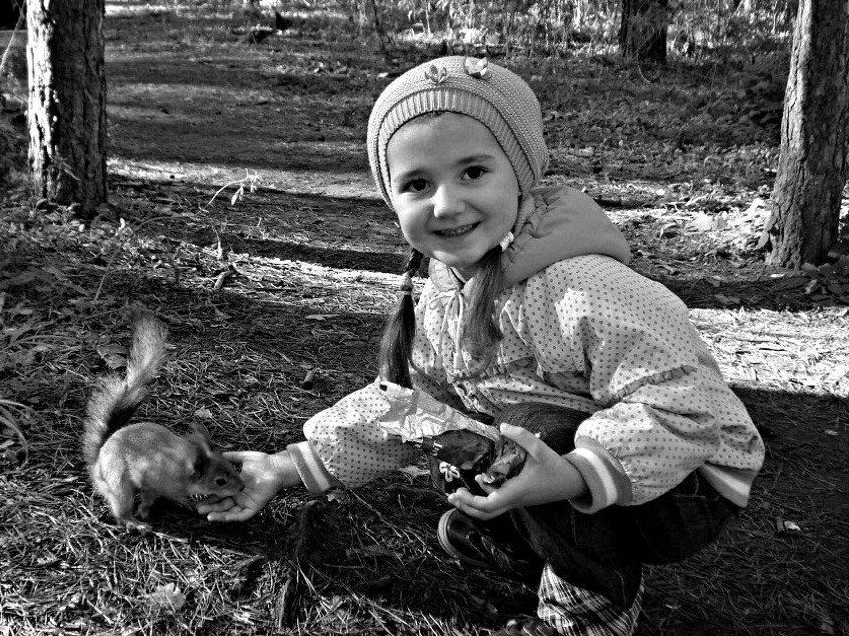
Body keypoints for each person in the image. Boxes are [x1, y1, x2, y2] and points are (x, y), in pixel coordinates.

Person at [197, 56, 765, 636]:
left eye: (473, 172)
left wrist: (566, 476)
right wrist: (283, 466)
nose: (445, 204)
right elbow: (411, 412)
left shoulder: (582, 284)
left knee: (531, 440)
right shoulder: (444, 295)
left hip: (689, 481)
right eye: (418, 184)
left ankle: (591, 612)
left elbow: (684, 402)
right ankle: (530, 541)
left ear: (520, 173)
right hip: (574, 455)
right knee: (461, 444)